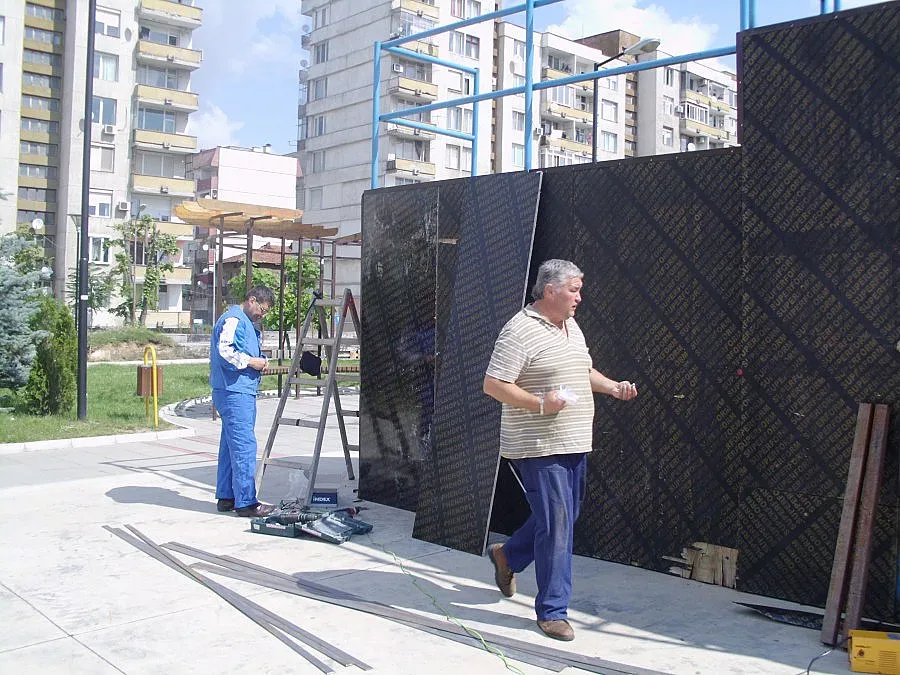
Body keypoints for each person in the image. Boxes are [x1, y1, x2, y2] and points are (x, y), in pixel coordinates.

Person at [482, 259, 638, 642]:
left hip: (574, 440)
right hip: (538, 445)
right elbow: (493, 383)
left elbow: (582, 371)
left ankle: (508, 556)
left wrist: (613, 387)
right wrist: (539, 404)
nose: (579, 297)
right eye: (573, 289)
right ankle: (552, 611)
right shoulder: (519, 331)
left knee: (563, 518)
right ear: (549, 290)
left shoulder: (569, 326)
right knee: (557, 525)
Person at [210, 285, 276, 517]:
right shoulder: (234, 320)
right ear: (251, 300)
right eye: (262, 310)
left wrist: (260, 359)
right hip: (234, 391)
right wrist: (252, 362)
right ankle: (246, 502)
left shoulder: (244, 322)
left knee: (229, 446)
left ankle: (227, 496)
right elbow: (225, 351)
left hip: (235, 389)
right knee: (244, 446)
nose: (262, 316)